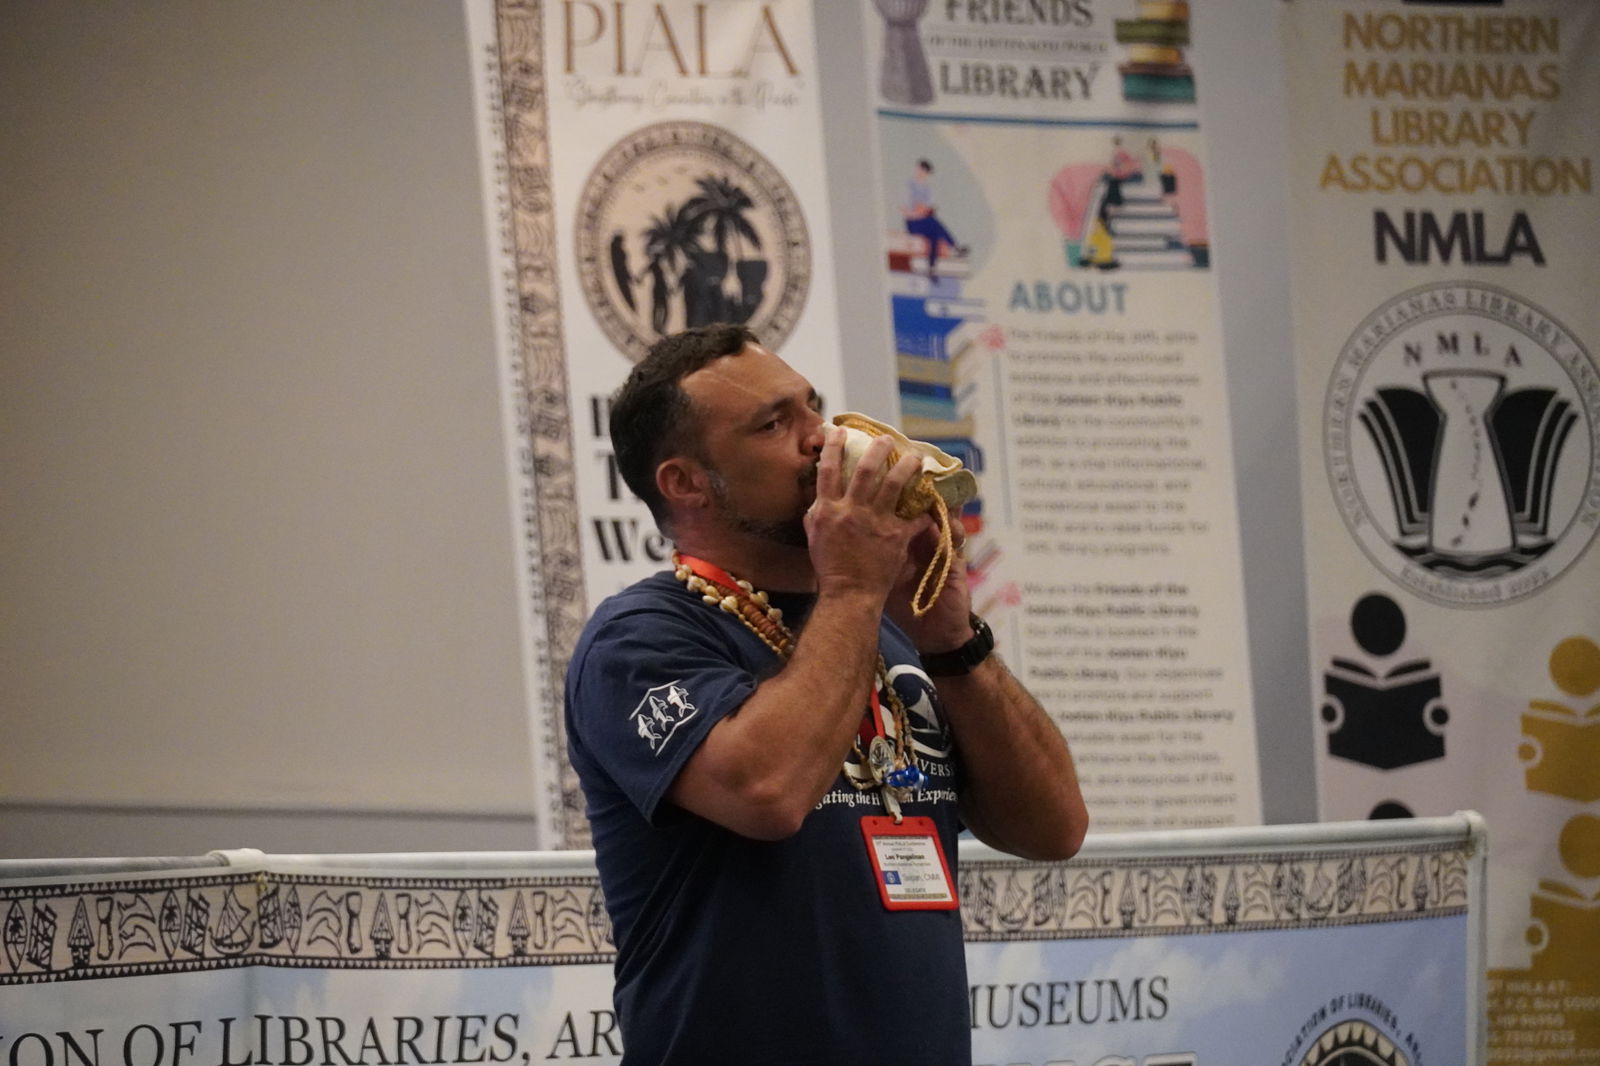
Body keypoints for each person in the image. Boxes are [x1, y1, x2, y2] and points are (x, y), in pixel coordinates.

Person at [565, 323, 1088, 1064]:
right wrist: (851, 585)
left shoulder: (883, 631)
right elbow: (767, 792)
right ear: (684, 483)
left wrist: (953, 642)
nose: (825, 439)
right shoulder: (638, 639)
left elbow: (1054, 829)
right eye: (774, 424)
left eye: (813, 408)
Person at [902, 159, 968, 276]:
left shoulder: (928, 189)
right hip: (913, 223)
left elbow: (929, 207)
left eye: (925, 172)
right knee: (934, 223)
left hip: (925, 221)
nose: (922, 173)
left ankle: (931, 268)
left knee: (935, 235)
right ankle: (955, 248)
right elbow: (905, 210)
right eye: (920, 170)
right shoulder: (909, 185)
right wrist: (918, 213)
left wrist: (924, 210)